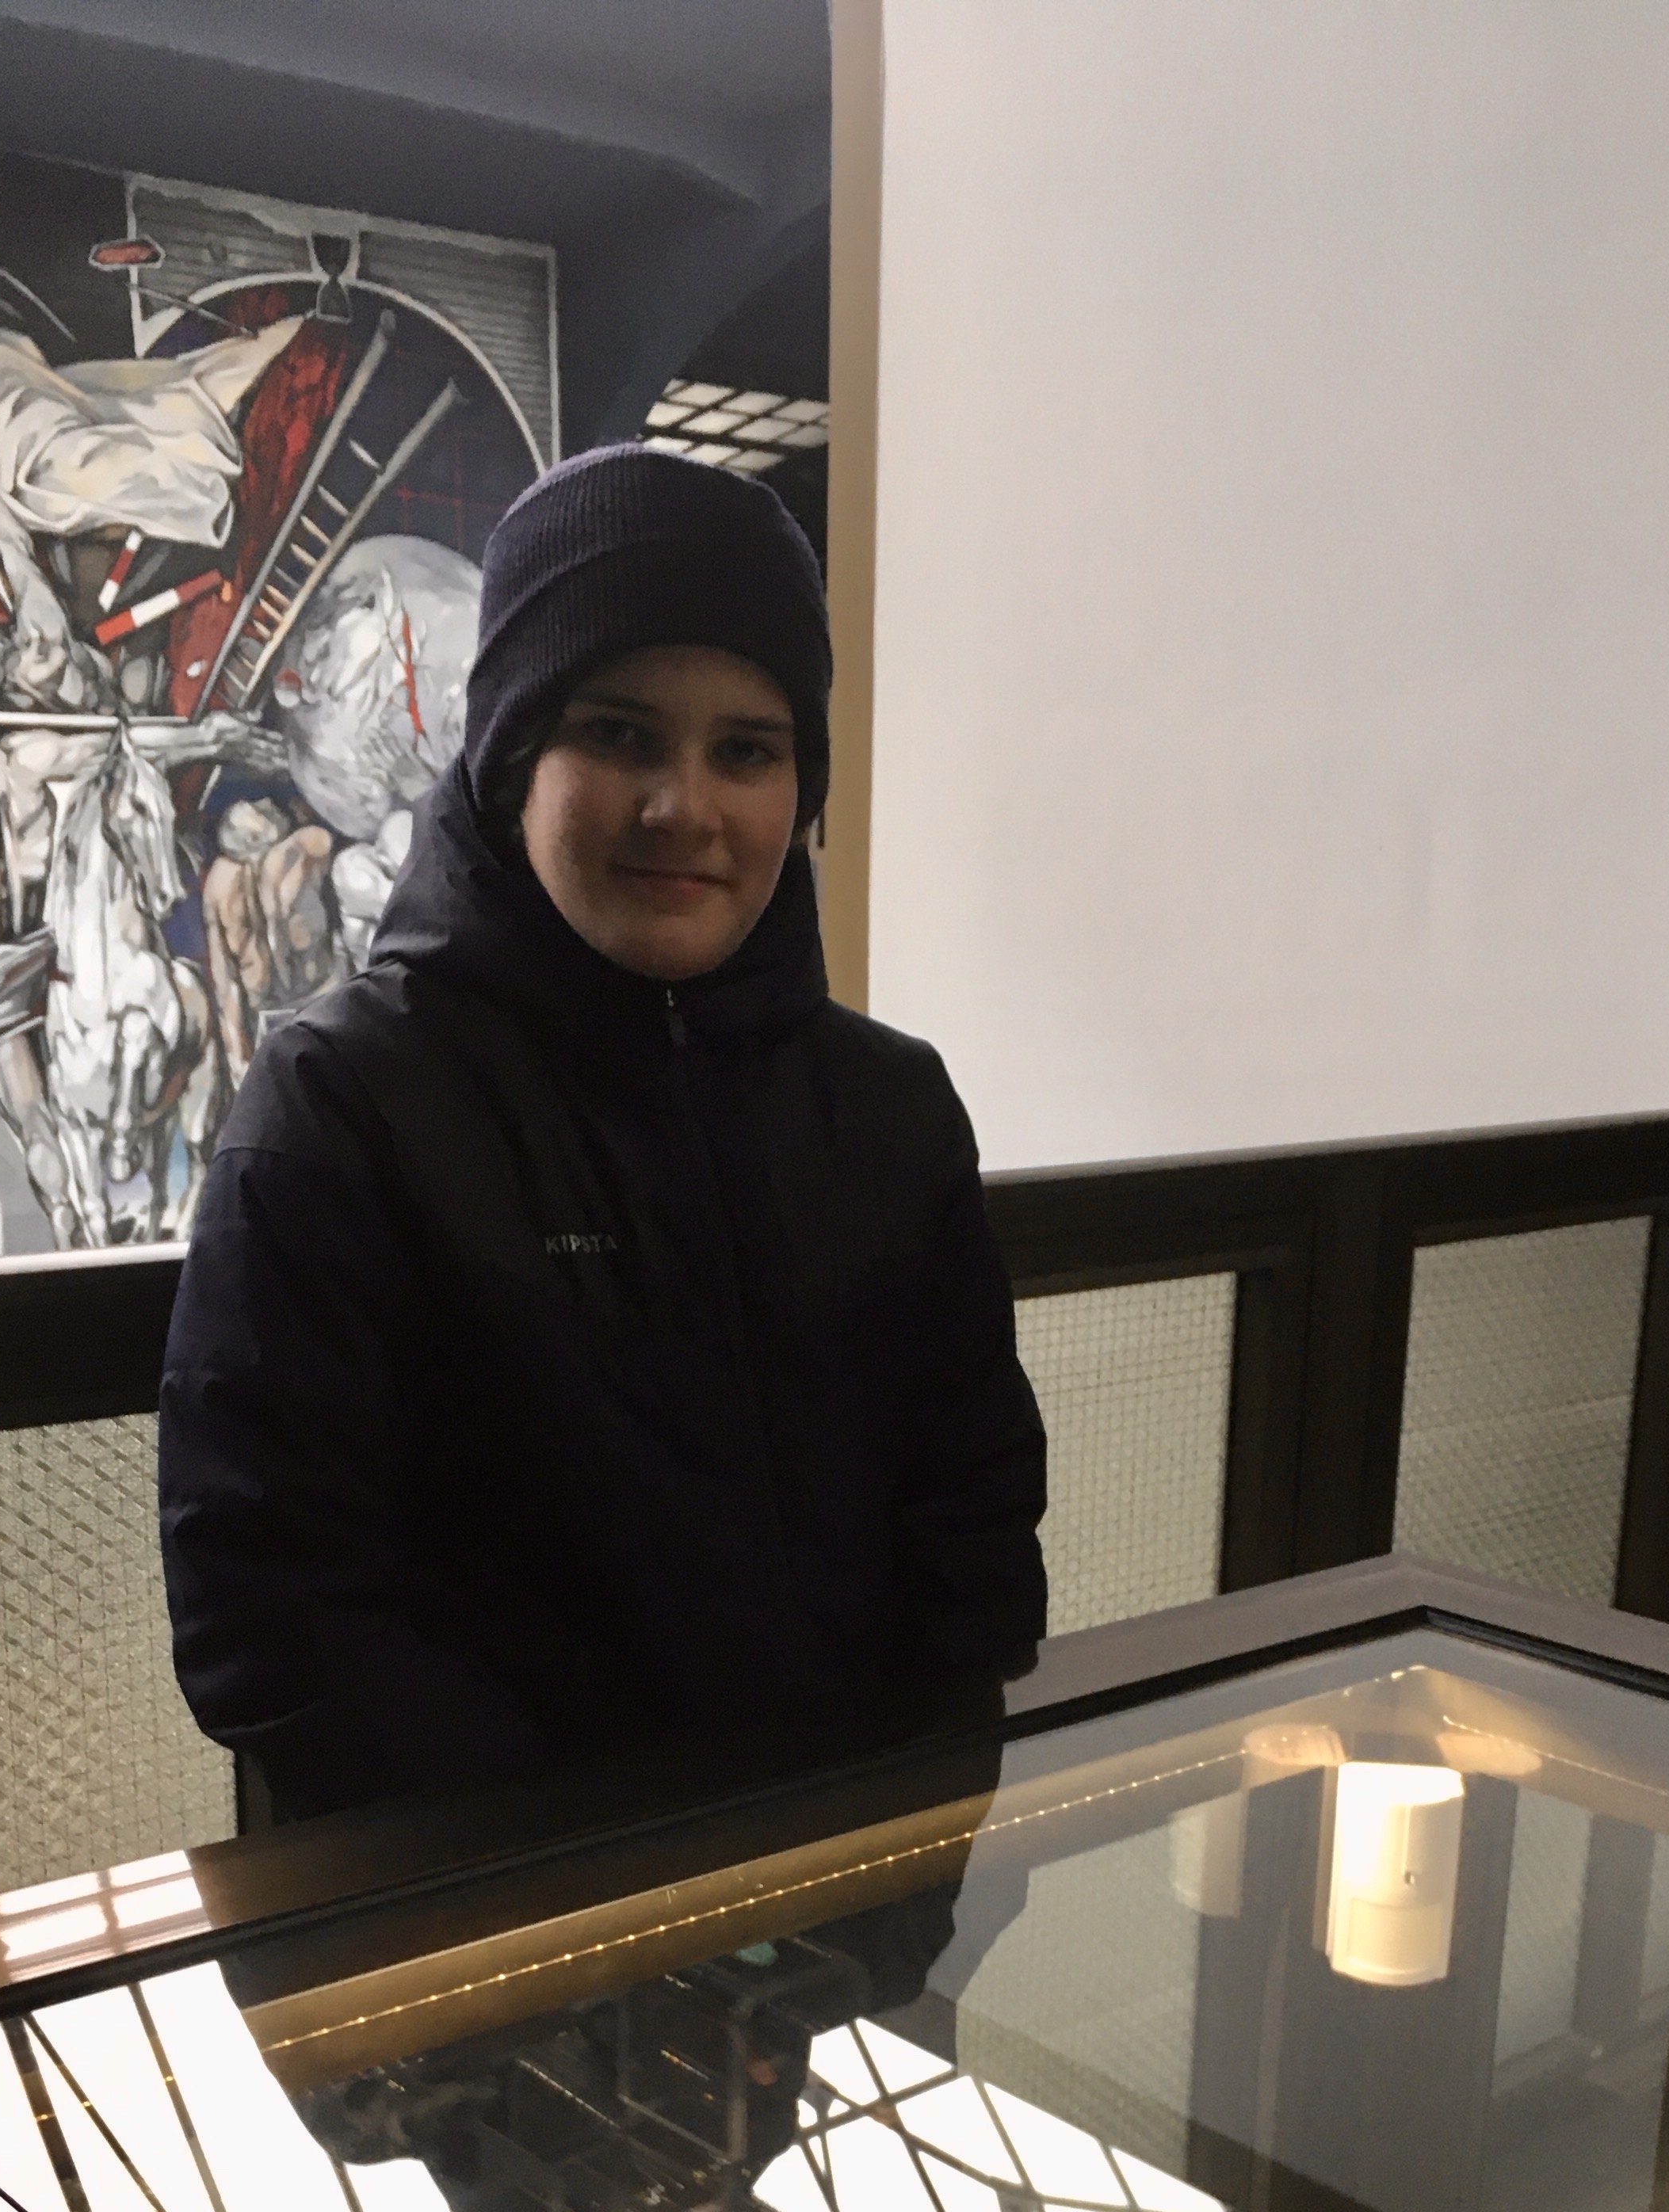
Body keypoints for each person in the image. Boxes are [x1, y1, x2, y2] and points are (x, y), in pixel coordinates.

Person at [157, 444, 1048, 1822]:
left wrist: (908, 1872)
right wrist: (604, 1884)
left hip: (844, 1898)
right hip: (488, 1923)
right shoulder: (346, 1107)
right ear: (511, 753)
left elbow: (973, 1534)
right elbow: (272, 1617)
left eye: (745, 750)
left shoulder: (887, 1108)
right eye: (619, 734)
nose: (682, 807)